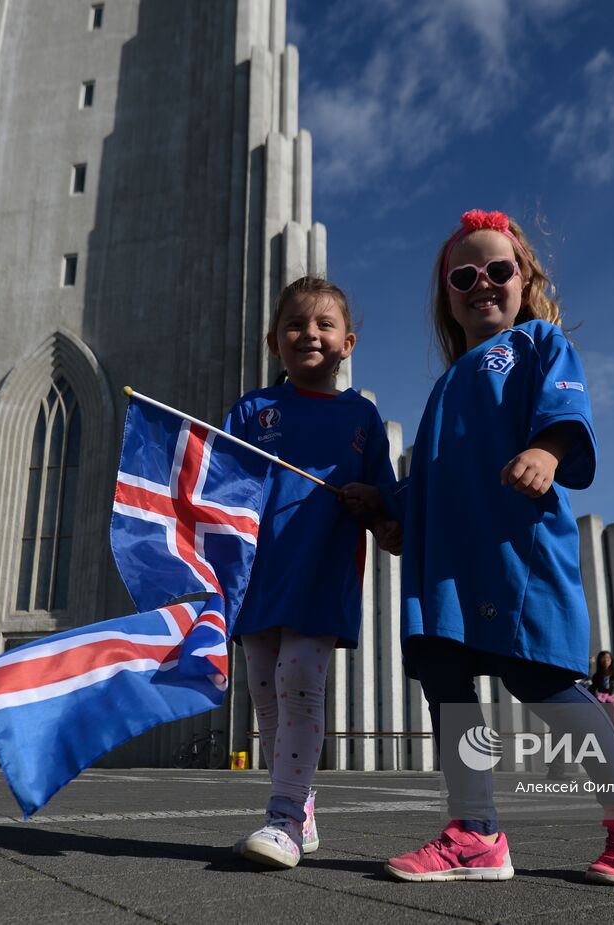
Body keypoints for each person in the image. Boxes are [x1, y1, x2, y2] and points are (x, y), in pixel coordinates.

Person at [376, 209, 614, 887]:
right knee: (445, 679)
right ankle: (475, 830)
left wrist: (546, 448)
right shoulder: (447, 384)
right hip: (448, 567)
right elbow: (429, 473)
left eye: (498, 269)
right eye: (464, 274)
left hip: (516, 548)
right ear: (447, 296)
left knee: (537, 675)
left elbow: (566, 408)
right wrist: (392, 516)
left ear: (525, 277)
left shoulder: (540, 342)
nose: (481, 282)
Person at [226, 276, 401, 870]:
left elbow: (388, 497)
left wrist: (374, 501)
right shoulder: (253, 409)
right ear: (275, 341)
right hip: (258, 578)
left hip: (322, 572)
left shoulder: (363, 417)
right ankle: (302, 807)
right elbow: (222, 488)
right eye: (296, 324)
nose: (311, 334)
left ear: (348, 342)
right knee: (266, 698)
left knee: (300, 681)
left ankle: (282, 819)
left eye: (325, 325)